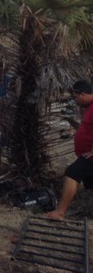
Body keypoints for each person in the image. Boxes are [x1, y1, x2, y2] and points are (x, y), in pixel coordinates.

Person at [46, 80, 93, 221]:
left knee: (72, 173)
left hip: (90, 156)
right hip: (85, 153)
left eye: (76, 96)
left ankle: (60, 212)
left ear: (83, 94)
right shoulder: (89, 107)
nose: (76, 100)